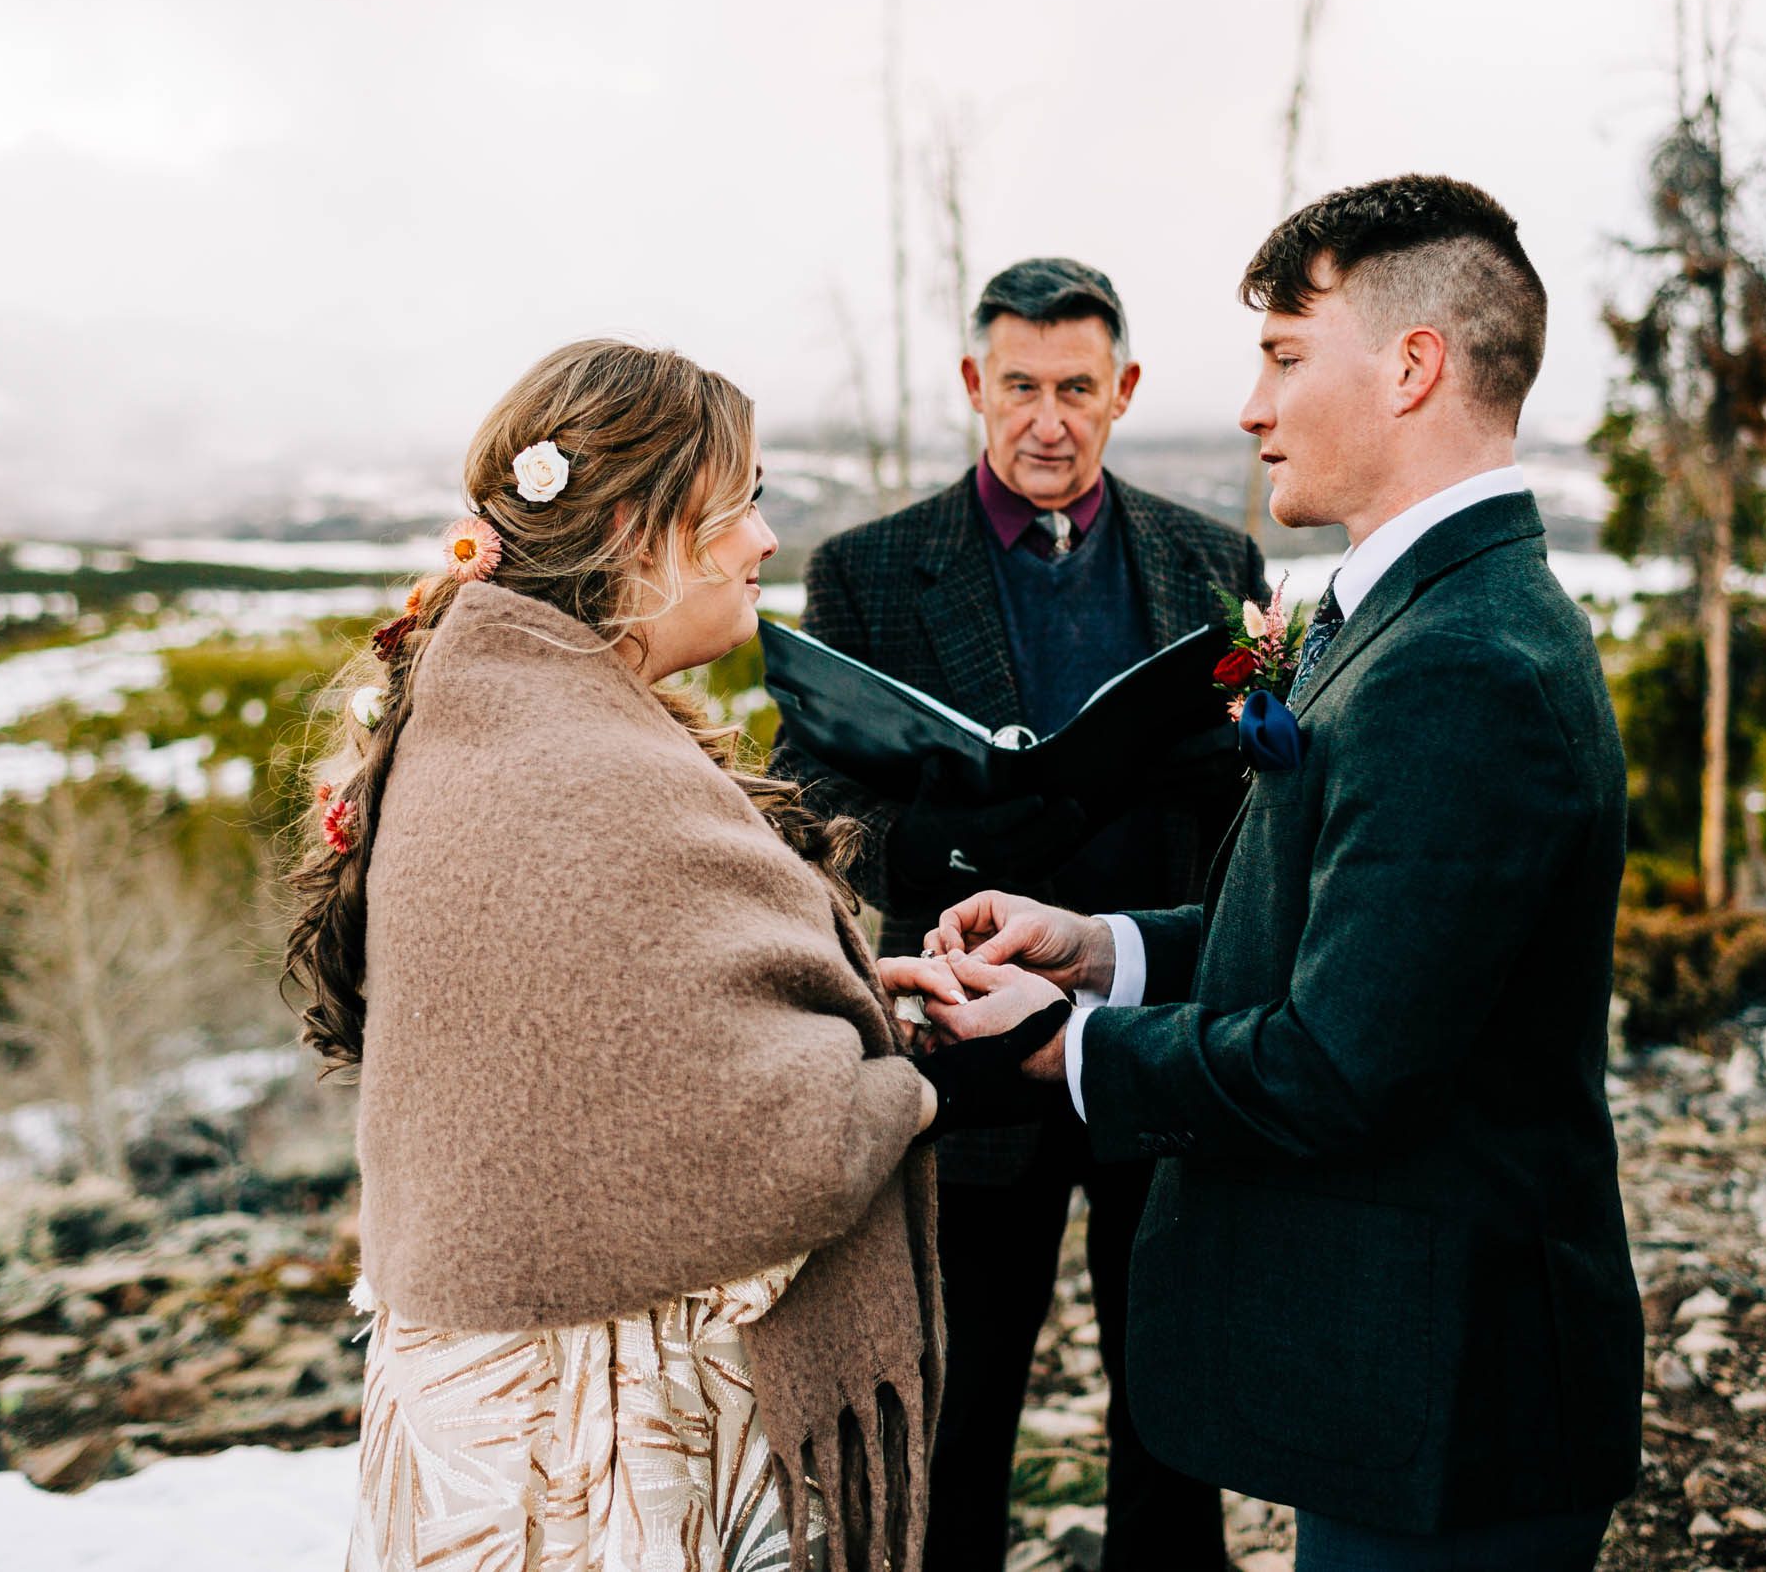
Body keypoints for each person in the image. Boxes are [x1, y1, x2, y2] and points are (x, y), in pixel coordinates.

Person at [912, 177, 1644, 1572]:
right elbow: (1346, 936)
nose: (1252, 406)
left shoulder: (1465, 665)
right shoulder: (1417, 613)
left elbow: (1340, 1061)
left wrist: (1060, 1048)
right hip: (1406, 1379)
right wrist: (1099, 946)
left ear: (1413, 365)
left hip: (1456, 1397)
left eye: (1286, 355)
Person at [285, 339, 1068, 1572]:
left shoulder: (516, 710)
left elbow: (657, 1037)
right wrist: (928, 1072)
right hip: (596, 1456)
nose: (764, 540)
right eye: (740, 502)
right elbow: (745, 1134)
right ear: (641, 531)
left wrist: (867, 1005)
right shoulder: (571, 768)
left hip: (530, 1406)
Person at [769, 259, 1261, 1572]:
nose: (1050, 420)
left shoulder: (1213, 560)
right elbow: (816, 783)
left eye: (1080, 390)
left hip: (1157, 1020)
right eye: (1023, 387)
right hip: (969, 1037)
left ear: (1126, 391)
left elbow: (1255, 794)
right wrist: (939, 842)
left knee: (1174, 1387)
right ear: (976, 384)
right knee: (961, 1398)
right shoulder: (873, 572)